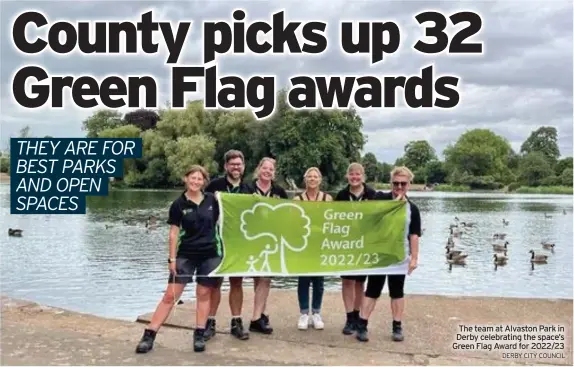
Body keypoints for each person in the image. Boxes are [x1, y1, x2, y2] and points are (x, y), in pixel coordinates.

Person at [135, 165, 223, 354]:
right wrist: (172, 259)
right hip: (185, 255)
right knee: (170, 296)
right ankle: (149, 335)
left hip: (210, 254)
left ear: (204, 182)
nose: (196, 182)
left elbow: (224, 224)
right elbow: (173, 234)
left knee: (204, 293)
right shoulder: (178, 205)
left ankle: (199, 334)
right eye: (193, 178)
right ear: (185, 179)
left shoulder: (212, 201)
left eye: (199, 179)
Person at [355, 166, 421, 343]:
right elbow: (369, 216)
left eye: (403, 183)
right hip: (379, 254)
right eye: (396, 183)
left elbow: (414, 235)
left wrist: (414, 258)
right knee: (372, 290)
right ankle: (362, 324)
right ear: (391, 183)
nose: (399, 186)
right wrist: (393, 204)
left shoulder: (412, 209)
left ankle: (397, 325)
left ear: (409, 184)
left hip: (399, 256)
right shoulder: (380, 198)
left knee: (397, 292)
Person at [204, 150, 249, 341]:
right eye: (232, 164)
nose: (236, 167)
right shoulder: (215, 186)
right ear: (226, 166)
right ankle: (210, 322)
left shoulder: (248, 189)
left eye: (239, 164)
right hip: (217, 241)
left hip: (238, 243)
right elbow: (202, 210)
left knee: (236, 283)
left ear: (244, 167)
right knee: (215, 283)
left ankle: (236, 322)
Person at [240, 157, 288, 334]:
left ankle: (257, 316)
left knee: (266, 278)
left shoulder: (279, 191)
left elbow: (286, 213)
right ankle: (260, 314)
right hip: (251, 239)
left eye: (271, 169)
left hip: (272, 240)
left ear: (274, 172)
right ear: (259, 169)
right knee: (258, 278)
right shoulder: (247, 188)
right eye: (265, 168)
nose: (267, 171)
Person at [334, 162, 377, 335]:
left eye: (358, 174)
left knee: (360, 282)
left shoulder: (372, 194)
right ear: (347, 176)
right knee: (347, 281)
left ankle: (358, 314)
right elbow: (332, 218)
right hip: (346, 243)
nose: (354, 177)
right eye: (351, 174)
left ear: (363, 176)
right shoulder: (342, 195)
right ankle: (349, 317)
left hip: (364, 244)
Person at [293, 167, 332, 330]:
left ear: (320, 180)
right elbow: (294, 223)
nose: (312, 179)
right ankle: (303, 313)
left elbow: (331, 220)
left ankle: (316, 312)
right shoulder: (297, 199)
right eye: (309, 176)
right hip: (304, 244)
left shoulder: (327, 198)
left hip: (320, 244)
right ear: (305, 179)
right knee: (303, 279)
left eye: (315, 176)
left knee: (319, 280)